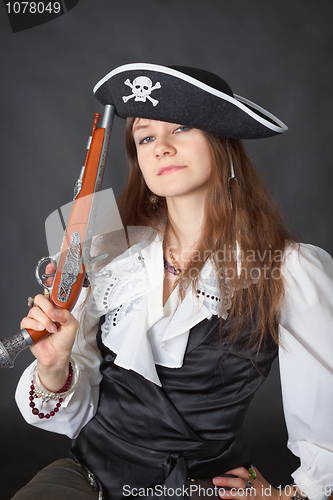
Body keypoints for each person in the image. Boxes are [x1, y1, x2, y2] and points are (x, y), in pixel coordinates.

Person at [12, 63, 333, 500]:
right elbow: (74, 414)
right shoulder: (106, 249)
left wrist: (292, 495)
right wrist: (53, 366)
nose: (161, 147)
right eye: (146, 137)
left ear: (222, 144)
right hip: (87, 478)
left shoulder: (288, 269)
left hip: (200, 489)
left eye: (180, 128)